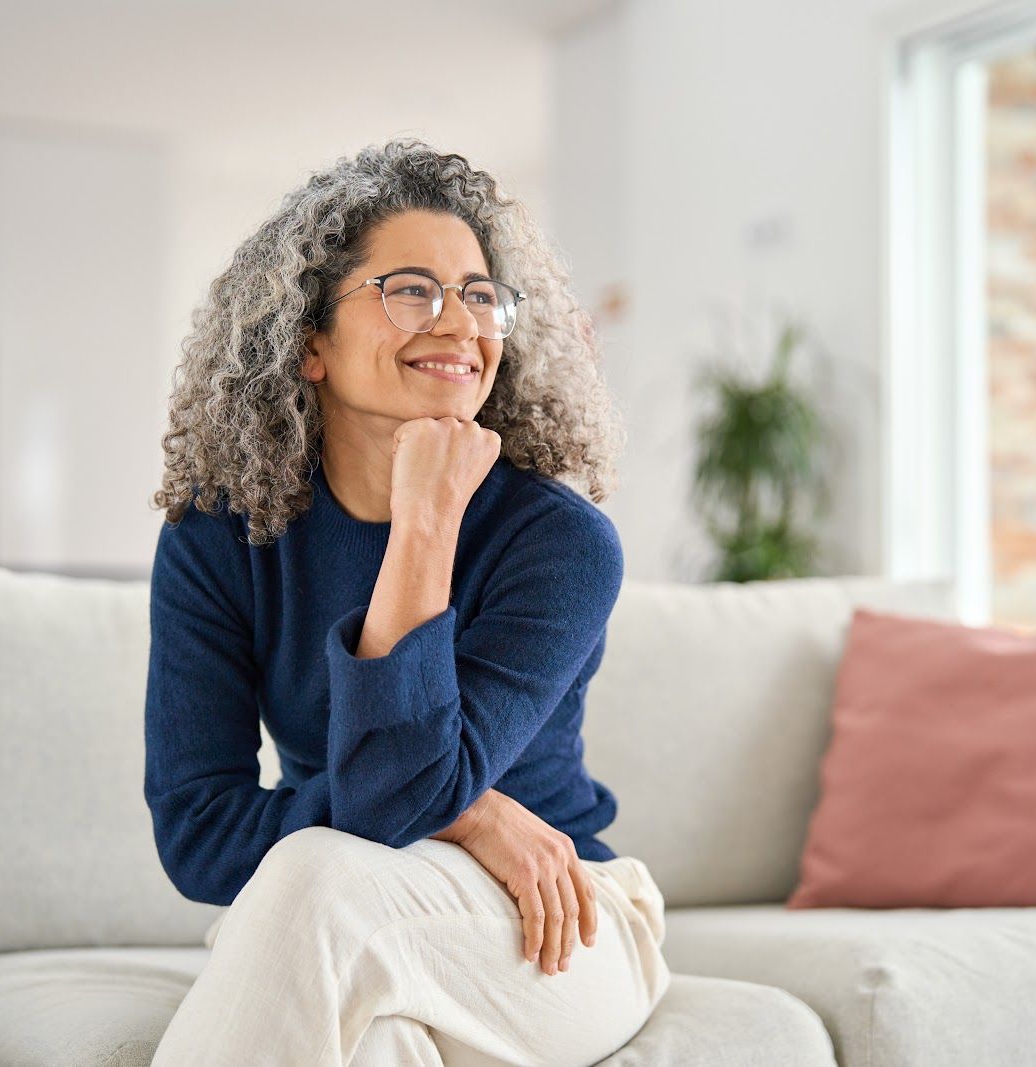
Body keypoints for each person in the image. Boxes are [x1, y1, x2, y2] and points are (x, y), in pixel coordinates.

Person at [143, 137, 670, 1066]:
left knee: (312, 879)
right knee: (373, 1029)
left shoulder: (559, 542)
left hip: (557, 921)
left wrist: (425, 518)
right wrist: (468, 809)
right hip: (350, 903)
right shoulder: (217, 536)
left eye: (479, 295)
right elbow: (198, 835)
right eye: (411, 289)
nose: (459, 323)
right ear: (308, 342)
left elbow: (389, 798)